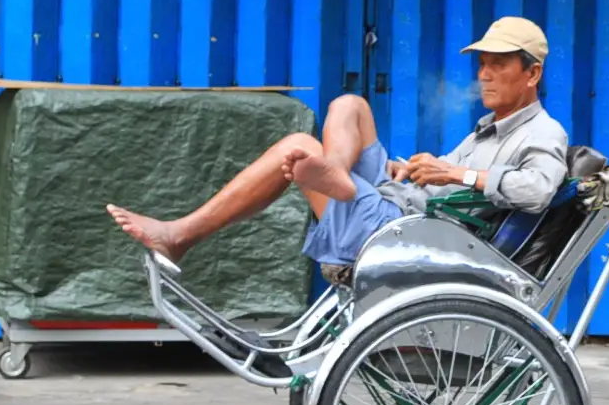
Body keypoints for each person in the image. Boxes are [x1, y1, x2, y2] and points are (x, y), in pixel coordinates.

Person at [107, 17, 569, 284]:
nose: (484, 75)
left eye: (499, 65)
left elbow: (538, 191)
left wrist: (456, 175)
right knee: (350, 105)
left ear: (532, 74)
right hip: (401, 207)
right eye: (483, 65)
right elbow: (447, 179)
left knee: (297, 144)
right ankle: (336, 175)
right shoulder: (487, 131)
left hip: (417, 238)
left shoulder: (544, 134)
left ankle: (182, 235)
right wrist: (411, 168)